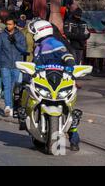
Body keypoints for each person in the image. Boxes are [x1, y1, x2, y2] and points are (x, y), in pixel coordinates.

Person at [29, 19, 81, 151]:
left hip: (60, 81)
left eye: (34, 33)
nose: (33, 35)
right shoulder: (44, 44)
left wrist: (72, 68)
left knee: (69, 109)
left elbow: (67, 57)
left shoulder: (52, 44)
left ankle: (74, 138)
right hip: (49, 81)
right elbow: (35, 65)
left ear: (40, 32)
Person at [0, 17, 27, 117]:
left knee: (15, 87)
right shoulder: (1, 36)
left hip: (17, 64)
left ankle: (13, 106)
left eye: (10, 24)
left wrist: (15, 42)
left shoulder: (20, 35)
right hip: (5, 64)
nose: (8, 26)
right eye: (7, 24)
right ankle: (8, 106)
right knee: (7, 86)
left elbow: (24, 49)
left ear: (15, 25)